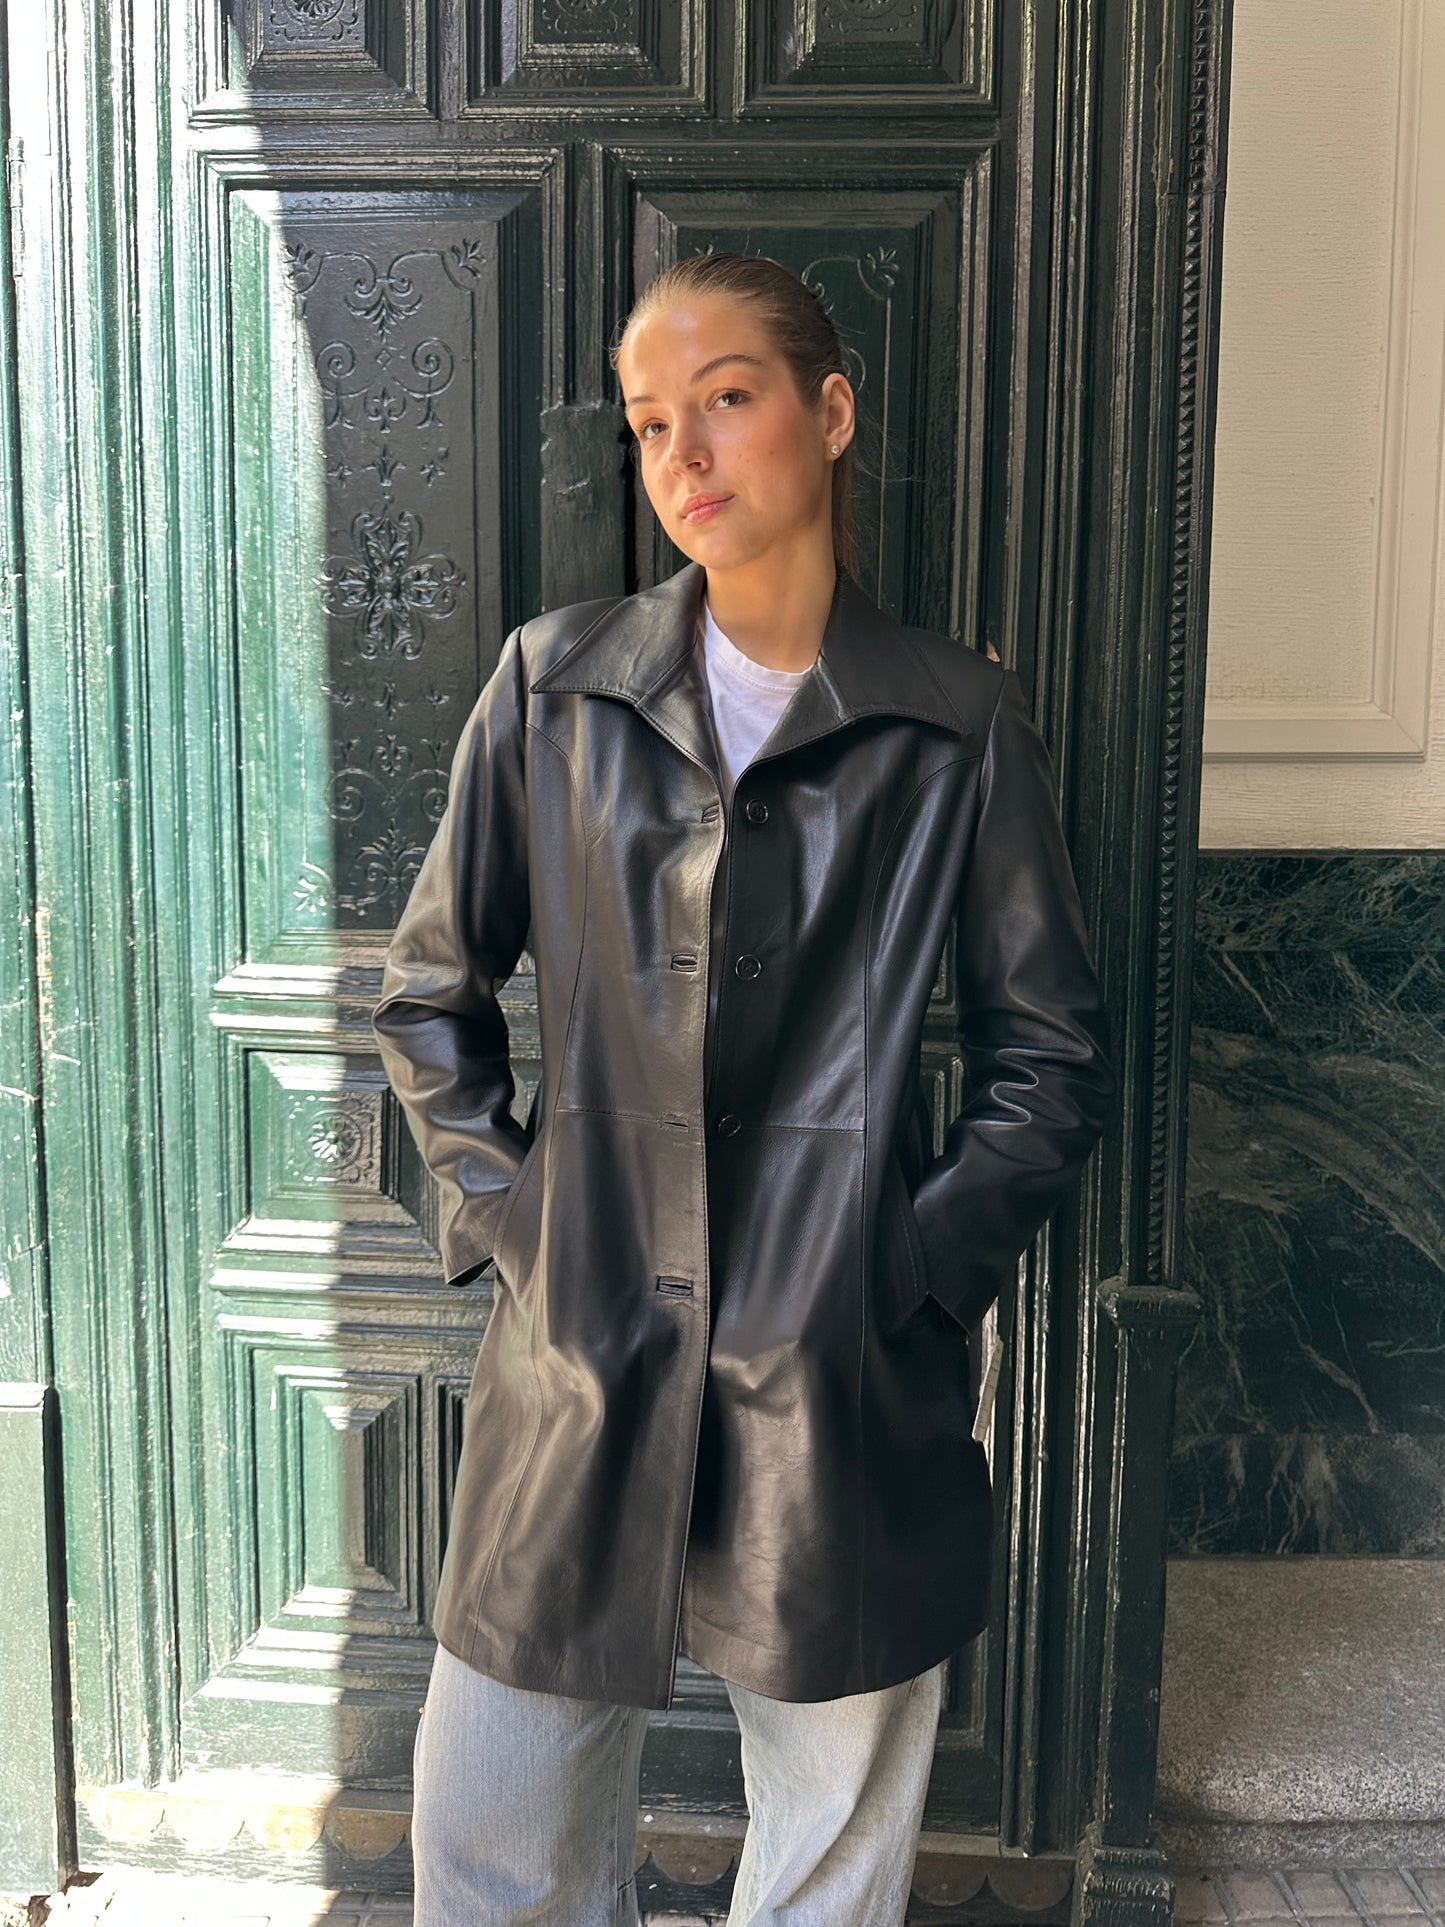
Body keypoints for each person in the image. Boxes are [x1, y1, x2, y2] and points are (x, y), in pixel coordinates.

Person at [370, 251, 1117, 1926]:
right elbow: (428, 993)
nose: (685, 456)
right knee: (491, 1836)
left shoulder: (953, 722)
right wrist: (524, 1225)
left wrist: (904, 1272)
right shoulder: (553, 688)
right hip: (581, 1354)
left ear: (829, 412)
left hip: (839, 1371)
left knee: (830, 1852)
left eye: (726, 398)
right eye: (650, 422)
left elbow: (1048, 1053)